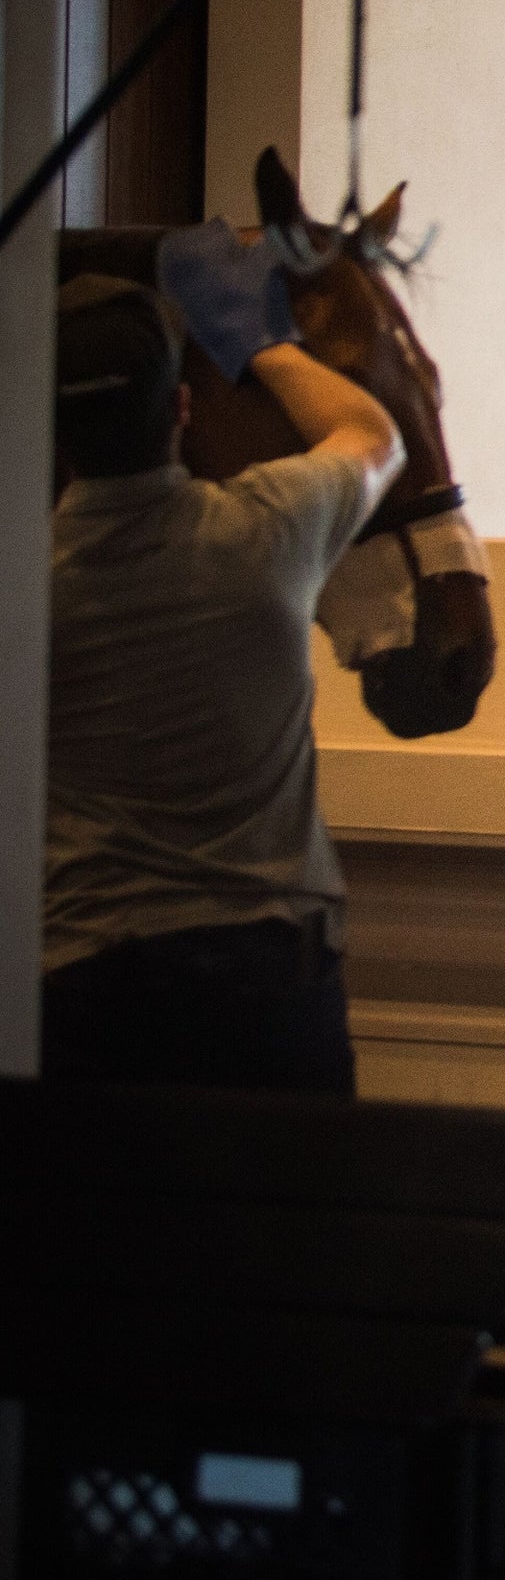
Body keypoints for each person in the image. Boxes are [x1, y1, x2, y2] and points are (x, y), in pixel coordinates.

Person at [43, 238, 403, 1094]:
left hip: (86, 985)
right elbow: (374, 436)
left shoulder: (29, 587)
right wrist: (258, 340)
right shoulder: (268, 528)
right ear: (182, 408)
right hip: (267, 977)